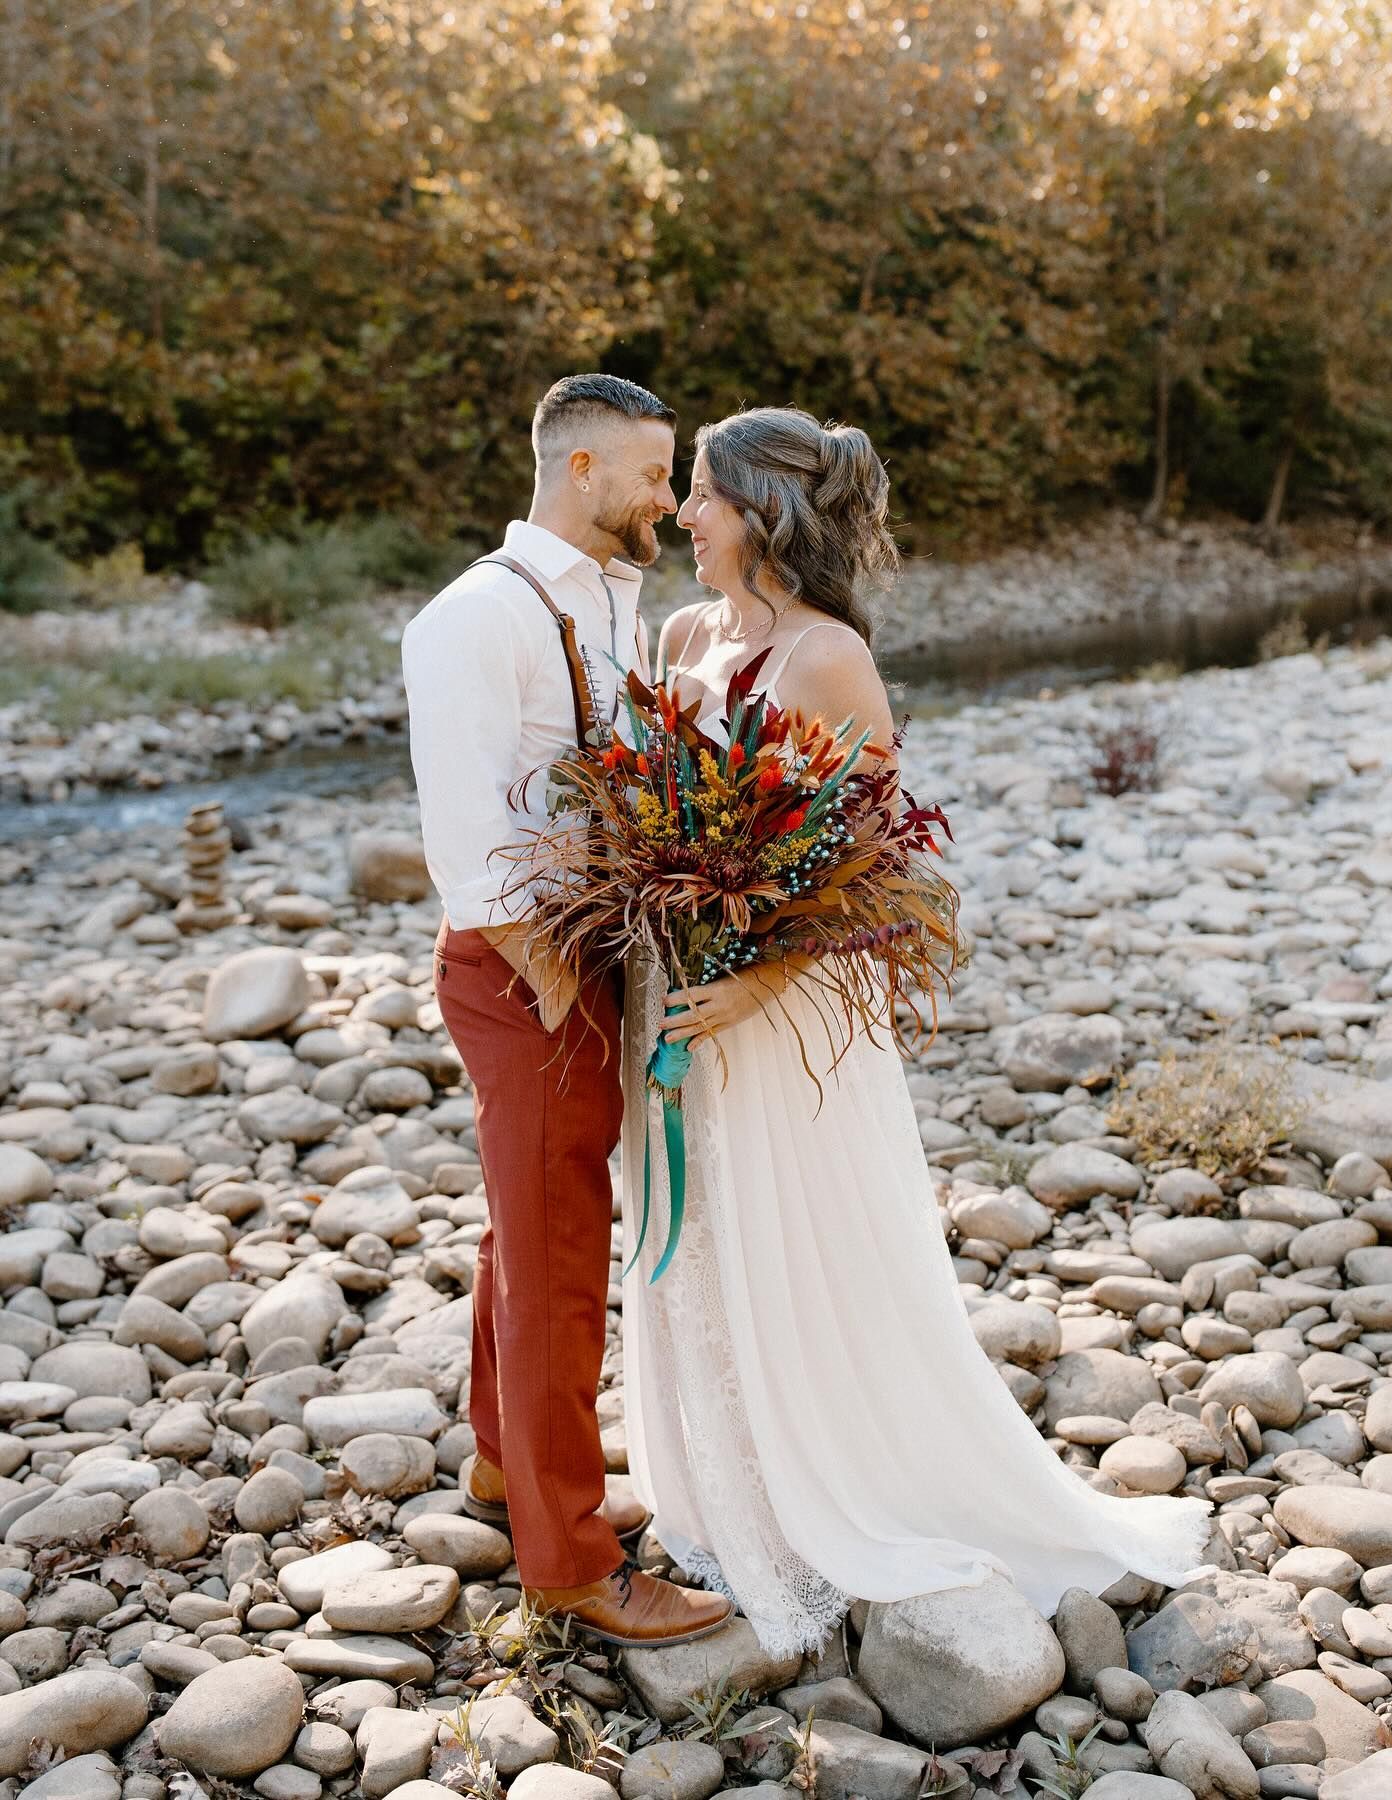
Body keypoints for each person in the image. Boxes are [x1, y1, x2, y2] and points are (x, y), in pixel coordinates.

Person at [620, 405, 1214, 1658]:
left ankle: (849, 1483)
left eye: (706, 499)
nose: (685, 515)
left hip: (781, 1007)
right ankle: (734, 1489)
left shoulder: (830, 658)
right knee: (703, 1235)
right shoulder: (680, 634)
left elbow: (878, 873)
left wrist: (756, 981)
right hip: (677, 988)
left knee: (805, 1245)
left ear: (763, 514)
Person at [402, 373, 734, 1646]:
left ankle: (504, 1465)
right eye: (656, 473)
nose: (670, 496)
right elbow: (466, 838)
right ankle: (571, 1563)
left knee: (525, 1230)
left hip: (584, 959)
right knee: (554, 1256)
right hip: (526, 972)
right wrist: (555, 985)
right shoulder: (474, 617)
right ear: (582, 470)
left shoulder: (602, 602)